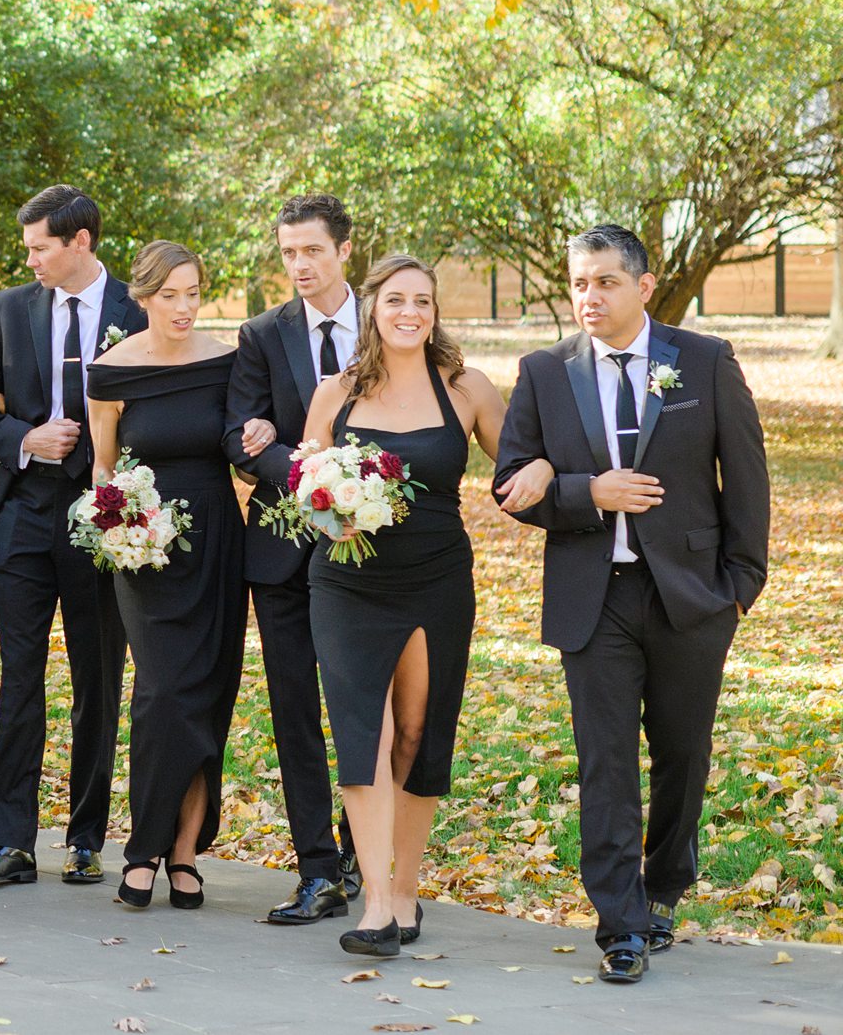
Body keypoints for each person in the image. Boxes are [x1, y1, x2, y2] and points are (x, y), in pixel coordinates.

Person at [497, 225, 769, 986]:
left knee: (683, 756)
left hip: (690, 599)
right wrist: (587, 492)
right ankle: (620, 923)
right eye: (579, 282)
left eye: (606, 282)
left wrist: (739, 586)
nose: (589, 296)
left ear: (644, 286)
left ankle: (663, 889)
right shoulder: (545, 371)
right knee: (606, 762)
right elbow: (511, 481)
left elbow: (747, 476)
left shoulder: (704, 361)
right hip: (596, 598)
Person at [303, 254, 539, 958]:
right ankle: (374, 902)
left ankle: (406, 887)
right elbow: (304, 486)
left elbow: (518, 464)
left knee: (415, 733)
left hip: (437, 579)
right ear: (372, 307)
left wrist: (550, 469)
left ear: (436, 313)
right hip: (346, 582)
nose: (410, 312)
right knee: (363, 734)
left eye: (424, 302)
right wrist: (331, 514)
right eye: (397, 299)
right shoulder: (335, 393)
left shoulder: (465, 388)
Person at [0, 185, 145, 888]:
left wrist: (113, 463)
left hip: (104, 519)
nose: (29, 258)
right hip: (25, 515)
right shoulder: (8, 309)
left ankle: (88, 836)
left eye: (40, 246)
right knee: (18, 675)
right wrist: (25, 437)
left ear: (81, 241)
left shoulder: (137, 311)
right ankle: (9, 840)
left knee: (98, 676)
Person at [84, 240, 245, 911]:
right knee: (162, 693)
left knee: (207, 693)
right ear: (143, 297)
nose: (182, 307)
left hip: (215, 541)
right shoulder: (111, 370)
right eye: (168, 294)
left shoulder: (226, 359)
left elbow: (237, 450)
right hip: (146, 551)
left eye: (192, 292)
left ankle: (185, 850)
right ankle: (143, 847)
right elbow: (102, 466)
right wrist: (119, 526)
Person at [224, 193, 361, 922]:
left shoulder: (393, 320)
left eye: (312, 250)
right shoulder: (260, 333)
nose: (300, 265)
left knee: (364, 709)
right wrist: (311, 478)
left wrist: (358, 490)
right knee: (295, 712)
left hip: (374, 549)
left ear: (345, 248)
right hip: (280, 550)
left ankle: (365, 857)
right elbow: (237, 438)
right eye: (288, 253)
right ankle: (317, 868)